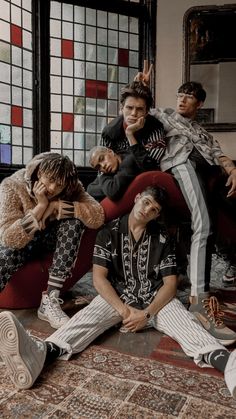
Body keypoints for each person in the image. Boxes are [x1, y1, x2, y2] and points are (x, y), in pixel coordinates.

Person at [0, 187, 235, 398]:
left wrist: (147, 314)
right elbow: (99, 279)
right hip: (118, 296)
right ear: (137, 198)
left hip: (156, 300)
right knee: (85, 319)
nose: (148, 210)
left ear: (156, 215)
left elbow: (170, 284)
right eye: (146, 202)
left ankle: (229, 366)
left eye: (154, 209)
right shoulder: (108, 232)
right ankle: (40, 354)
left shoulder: (162, 238)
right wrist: (124, 310)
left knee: (187, 325)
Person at [135, 62, 236, 341]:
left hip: (207, 171)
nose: (181, 99)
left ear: (199, 103)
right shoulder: (165, 116)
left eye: (189, 96)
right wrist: (142, 87)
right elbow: (140, 111)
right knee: (202, 224)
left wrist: (232, 169)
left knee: (216, 219)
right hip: (181, 164)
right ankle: (199, 302)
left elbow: (219, 154)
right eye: (180, 94)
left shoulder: (204, 133)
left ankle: (231, 260)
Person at [0, 152, 104, 329]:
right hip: (21, 244)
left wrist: (57, 206)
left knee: (73, 222)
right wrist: (40, 208)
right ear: (39, 171)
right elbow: (9, 239)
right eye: (49, 180)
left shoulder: (72, 187)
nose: (52, 188)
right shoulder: (12, 185)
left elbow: (98, 215)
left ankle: (50, 300)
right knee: (5, 252)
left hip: (52, 242)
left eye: (58, 184)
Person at [100, 81, 166, 169]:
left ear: (146, 112)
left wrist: (130, 134)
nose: (134, 113)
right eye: (129, 108)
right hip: (115, 176)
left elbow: (150, 166)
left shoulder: (155, 128)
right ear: (122, 108)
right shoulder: (109, 132)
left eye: (139, 109)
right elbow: (101, 168)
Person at [87, 142, 152, 201]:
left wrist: (106, 184)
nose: (103, 166)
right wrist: (106, 184)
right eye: (98, 167)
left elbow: (112, 192)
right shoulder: (106, 174)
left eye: (102, 159)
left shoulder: (130, 159)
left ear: (110, 151)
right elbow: (90, 189)